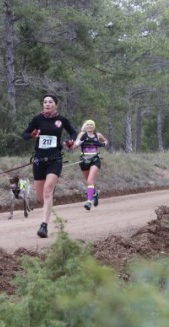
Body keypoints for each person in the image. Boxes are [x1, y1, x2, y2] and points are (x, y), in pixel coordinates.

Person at [22, 94, 78, 238]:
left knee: (47, 190)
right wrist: (32, 135)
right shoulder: (37, 119)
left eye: (50, 102)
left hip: (55, 159)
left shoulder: (61, 120)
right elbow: (25, 135)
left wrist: (71, 141)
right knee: (41, 197)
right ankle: (49, 196)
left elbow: (73, 132)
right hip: (39, 160)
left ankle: (44, 226)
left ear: (56, 105)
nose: (47, 104)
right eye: (45, 102)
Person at [73, 119, 109, 211]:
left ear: (94, 126)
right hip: (84, 161)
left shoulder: (98, 135)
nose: (90, 126)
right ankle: (95, 193)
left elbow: (106, 141)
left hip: (95, 160)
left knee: (90, 180)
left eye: (91, 125)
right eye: (88, 125)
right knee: (89, 182)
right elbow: (74, 146)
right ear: (85, 126)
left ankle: (89, 202)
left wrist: (102, 144)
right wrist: (76, 143)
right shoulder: (82, 135)